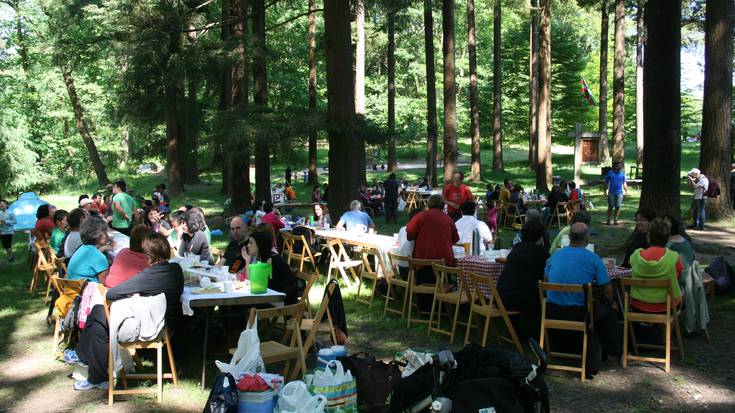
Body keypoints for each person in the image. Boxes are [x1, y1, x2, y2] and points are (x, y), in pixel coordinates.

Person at [74, 232, 184, 391]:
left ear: (147, 255)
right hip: (167, 321)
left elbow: (111, 293)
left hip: (153, 325)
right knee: (99, 318)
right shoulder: (176, 270)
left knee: (98, 313)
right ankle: (91, 368)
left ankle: (87, 363)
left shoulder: (148, 276)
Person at [544, 222, 621, 361]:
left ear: (569, 237)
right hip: (580, 312)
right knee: (609, 312)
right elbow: (607, 288)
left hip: (552, 310)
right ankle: (612, 353)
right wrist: (611, 302)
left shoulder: (555, 256)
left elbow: (546, 279)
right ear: (587, 239)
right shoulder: (592, 258)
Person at [406, 195, 459, 310]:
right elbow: (455, 238)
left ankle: (425, 307)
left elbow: (409, 233)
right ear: (443, 206)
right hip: (443, 260)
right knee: (443, 279)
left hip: (423, 259)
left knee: (424, 279)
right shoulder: (448, 218)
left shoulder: (421, 216)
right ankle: (442, 308)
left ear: (428, 204)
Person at [498, 219, 549, 323]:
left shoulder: (516, 248)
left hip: (502, 298)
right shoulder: (541, 252)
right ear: (541, 237)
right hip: (525, 299)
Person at [629, 218, 683, 313]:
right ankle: (669, 327)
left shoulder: (636, 255)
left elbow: (630, 263)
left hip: (638, 305)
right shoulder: (673, 256)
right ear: (668, 237)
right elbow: (679, 276)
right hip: (667, 306)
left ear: (648, 236)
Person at [239, 230, 299, 304]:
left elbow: (253, 283)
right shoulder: (264, 258)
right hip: (273, 295)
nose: (248, 245)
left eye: (251, 243)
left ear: (259, 245)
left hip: (283, 300)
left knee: (245, 305)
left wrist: (247, 261)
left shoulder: (270, 260)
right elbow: (252, 282)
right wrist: (247, 260)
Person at [66, 217, 112, 284]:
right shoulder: (99, 257)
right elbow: (104, 283)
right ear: (96, 235)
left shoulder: (81, 248)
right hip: (85, 291)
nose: (107, 235)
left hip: (71, 289)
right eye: (104, 232)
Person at [396, 208, 423, 278]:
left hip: (401, 267)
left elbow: (398, 244)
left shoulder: (402, 229)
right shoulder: (419, 231)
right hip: (412, 271)